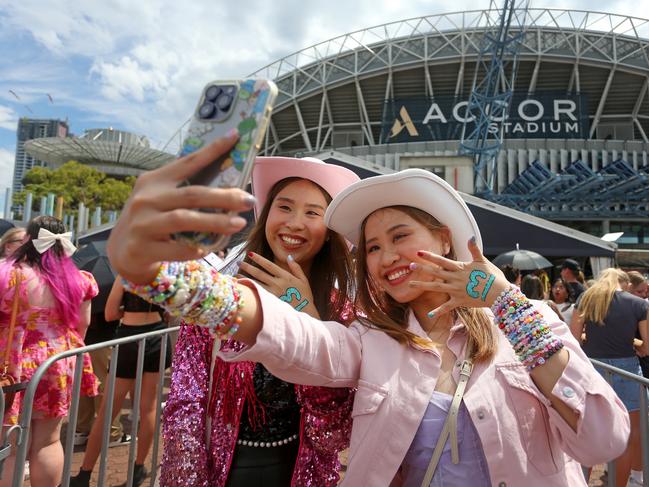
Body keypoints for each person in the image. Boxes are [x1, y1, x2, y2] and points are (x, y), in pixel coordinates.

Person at [106, 134, 629, 486]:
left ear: (445, 239)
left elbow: (603, 439)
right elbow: (293, 337)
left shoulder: (531, 323)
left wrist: (504, 300)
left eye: (400, 236)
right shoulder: (368, 340)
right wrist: (164, 274)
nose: (385, 257)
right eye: (372, 247)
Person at [158, 155, 359, 487]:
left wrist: (307, 317)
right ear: (266, 216)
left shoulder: (341, 312)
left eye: (312, 212)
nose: (294, 223)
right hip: (223, 474)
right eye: (284, 207)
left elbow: (332, 434)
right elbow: (185, 402)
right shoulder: (221, 296)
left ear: (328, 232)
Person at [0, 216, 98, 487]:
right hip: (59, 361)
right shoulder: (79, 279)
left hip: (15, 363)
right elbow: (83, 325)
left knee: (13, 444)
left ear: (29, 240)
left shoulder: (8, 274)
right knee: (49, 439)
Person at [68, 277, 172, 487]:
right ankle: (139, 467)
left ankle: (84, 474)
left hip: (129, 340)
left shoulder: (127, 274)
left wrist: (127, 311)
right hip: (158, 337)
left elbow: (110, 313)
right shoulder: (168, 273)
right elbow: (171, 312)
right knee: (148, 407)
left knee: (108, 410)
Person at [570, 268, 649, 486]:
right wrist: (634, 344)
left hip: (592, 370)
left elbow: (574, 340)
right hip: (628, 373)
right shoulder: (638, 304)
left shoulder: (586, 299)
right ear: (624, 284)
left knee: (587, 433)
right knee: (629, 436)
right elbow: (648, 346)